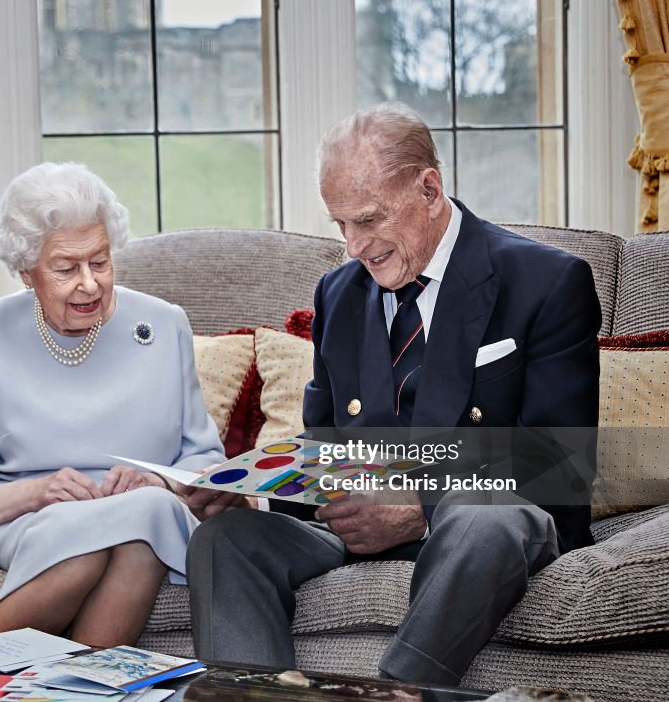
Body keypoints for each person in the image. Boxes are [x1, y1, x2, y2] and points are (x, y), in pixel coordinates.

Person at [184, 103, 601, 684]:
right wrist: (253, 493)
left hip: (479, 526)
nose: (355, 246)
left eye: (370, 220)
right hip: (355, 531)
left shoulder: (546, 282)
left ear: (429, 189)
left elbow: (557, 461)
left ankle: (393, 695)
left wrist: (418, 511)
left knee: (487, 520)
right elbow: (325, 445)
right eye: (341, 225)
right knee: (225, 539)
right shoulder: (339, 293)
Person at [0, 162, 225, 646]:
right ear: (27, 273)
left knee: (141, 521)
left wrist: (156, 479)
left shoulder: (164, 323)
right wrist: (37, 492)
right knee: (100, 542)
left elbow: (205, 460)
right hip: (30, 517)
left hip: (144, 510)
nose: (89, 283)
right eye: (66, 268)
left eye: (100, 261)